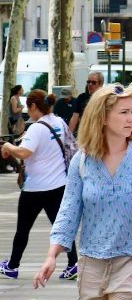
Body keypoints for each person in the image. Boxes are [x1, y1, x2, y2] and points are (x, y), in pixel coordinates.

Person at [33, 85, 132, 298]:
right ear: (102, 118)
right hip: (90, 265)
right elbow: (69, 211)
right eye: (123, 113)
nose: (131, 119)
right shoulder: (83, 160)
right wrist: (52, 256)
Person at [0, 90, 78, 280]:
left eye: (29, 107)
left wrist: (8, 146)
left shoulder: (37, 128)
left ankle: (12, 266)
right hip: (59, 185)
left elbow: (24, 152)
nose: (29, 111)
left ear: (34, 107)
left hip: (35, 188)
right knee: (61, 227)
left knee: (23, 229)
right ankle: (73, 263)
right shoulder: (59, 121)